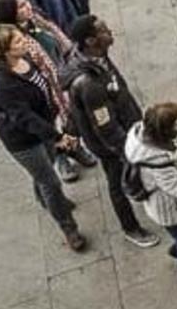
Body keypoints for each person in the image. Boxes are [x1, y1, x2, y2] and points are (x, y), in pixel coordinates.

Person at [0, 23, 86, 251]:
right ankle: (68, 227)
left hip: (43, 126)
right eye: (17, 41)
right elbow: (24, 117)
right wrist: (56, 136)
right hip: (24, 140)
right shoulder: (0, 83)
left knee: (43, 170)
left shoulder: (24, 59)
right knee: (50, 182)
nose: (24, 42)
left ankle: (45, 200)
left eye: (21, 37)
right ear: (4, 51)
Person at [59, 16, 159, 249]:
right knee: (117, 181)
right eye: (104, 30)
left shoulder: (97, 57)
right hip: (111, 144)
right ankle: (131, 228)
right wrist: (128, 150)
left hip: (128, 125)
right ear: (91, 40)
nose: (109, 31)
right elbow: (105, 126)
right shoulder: (88, 83)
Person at [127, 101, 177, 290]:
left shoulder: (139, 133)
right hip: (168, 208)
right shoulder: (156, 159)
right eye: (173, 123)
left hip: (159, 201)